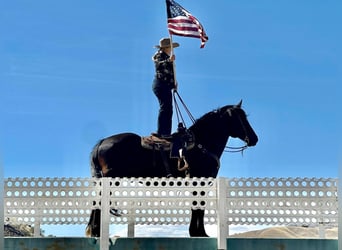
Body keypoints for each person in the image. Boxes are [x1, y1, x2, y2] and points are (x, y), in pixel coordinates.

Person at [152, 37, 179, 138]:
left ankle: (165, 132)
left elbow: (167, 73)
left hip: (165, 86)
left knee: (168, 108)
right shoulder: (159, 55)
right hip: (161, 84)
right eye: (170, 47)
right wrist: (169, 60)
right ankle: (162, 132)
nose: (171, 49)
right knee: (165, 107)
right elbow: (160, 64)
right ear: (166, 47)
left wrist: (174, 83)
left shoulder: (165, 56)